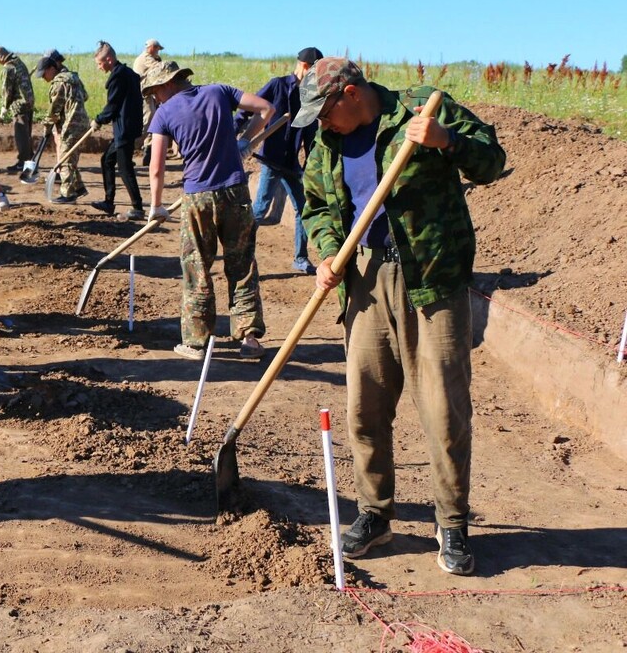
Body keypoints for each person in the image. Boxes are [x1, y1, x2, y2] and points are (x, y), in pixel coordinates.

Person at [297, 57, 506, 576]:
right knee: (364, 409)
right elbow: (316, 206)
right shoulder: (327, 142)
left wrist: (446, 141)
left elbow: (491, 162)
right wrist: (328, 251)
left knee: (444, 411)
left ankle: (452, 524)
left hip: (432, 282)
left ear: (351, 93)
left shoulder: (422, 109)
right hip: (365, 280)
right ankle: (375, 514)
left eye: (325, 112)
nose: (322, 123)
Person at [143, 60, 273, 361]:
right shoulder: (219, 92)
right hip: (235, 192)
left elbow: (156, 167)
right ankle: (250, 339)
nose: (155, 99)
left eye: (155, 92)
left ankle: (196, 342)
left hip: (198, 197)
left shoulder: (164, 113)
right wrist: (246, 141)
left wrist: (156, 206)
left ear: (166, 84)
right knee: (242, 265)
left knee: (197, 267)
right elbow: (267, 109)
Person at [237, 46, 323, 275]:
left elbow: (311, 135)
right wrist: (236, 134)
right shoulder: (277, 85)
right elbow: (248, 107)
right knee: (260, 209)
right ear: (305, 66)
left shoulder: (310, 97)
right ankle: (241, 254)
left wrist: (310, 166)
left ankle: (300, 258)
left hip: (291, 164)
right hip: (271, 160)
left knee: (303, 209)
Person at [90, 41, 145, 220]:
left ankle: (137, 208)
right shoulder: (129, 73)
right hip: (130, 126)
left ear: (109, 59)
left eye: (99, 63)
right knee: (107, 159)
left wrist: (99, 120)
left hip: (124, 128)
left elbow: (113, 105)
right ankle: (108, 202)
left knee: (124, 167)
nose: (99, 67)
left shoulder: (118, 76)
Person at [34, 49, 90, 205]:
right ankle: (79, 188)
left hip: (71, 124)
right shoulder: (73, 77)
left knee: (65, 159)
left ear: (52, 69)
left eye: (44, 74)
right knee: (70, 156)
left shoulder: (59, 83)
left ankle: (68, 194)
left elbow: (54, 110)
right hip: (82, 122)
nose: (44, 78)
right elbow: (85, 96)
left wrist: (47, 126)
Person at [0, 46, 35, 173]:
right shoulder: (19, 63)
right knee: (27, 134)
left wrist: (4, 106)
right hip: (29, 102)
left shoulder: (8, 68)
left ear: (1, 57)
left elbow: (7, 89)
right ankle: (30, 159)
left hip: (19, 105)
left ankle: (23, 162)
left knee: (21, 134)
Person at [133, 39, 164, 166]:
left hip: (149, 93)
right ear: (151, 47)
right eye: (157, 49)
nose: (158, 51)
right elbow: (160, 68)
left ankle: (148, 148)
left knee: (153, 119)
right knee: (149, 117)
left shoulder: (149, 58)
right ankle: (134, 145)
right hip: (144, 93)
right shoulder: (146, 58)